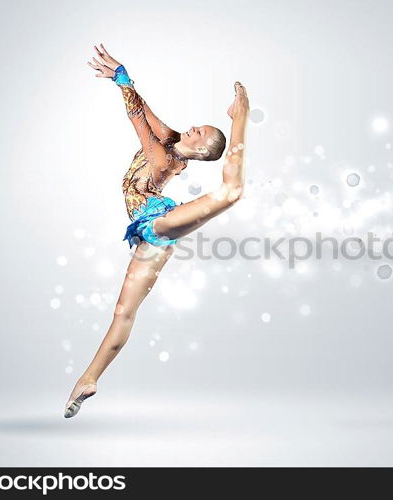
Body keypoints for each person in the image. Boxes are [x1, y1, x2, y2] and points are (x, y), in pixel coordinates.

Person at [63, 43, 249, 418]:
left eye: (201, 133)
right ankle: (88, 379)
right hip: (154, 238)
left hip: (158, 220)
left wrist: (123, 80)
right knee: (123, 313)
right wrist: (123, 78)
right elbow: (147, 111)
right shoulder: (171, 139)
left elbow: (136, 119)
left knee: (231, 192)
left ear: (199, 151)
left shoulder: (162, 156)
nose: (194, 128)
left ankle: (242, 117)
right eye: (198, 127)